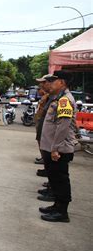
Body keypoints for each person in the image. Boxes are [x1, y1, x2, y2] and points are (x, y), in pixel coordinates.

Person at [38, 71, 76, 223]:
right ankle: (56, 206)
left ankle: (62, 212)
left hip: (59, 148)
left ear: (62, 82)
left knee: (60, 180)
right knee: (54, 178)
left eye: (54, 81)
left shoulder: (65, 100)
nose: (50, 84)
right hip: (53, 147)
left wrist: (55, 148)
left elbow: (63, 126)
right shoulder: (59, 98)